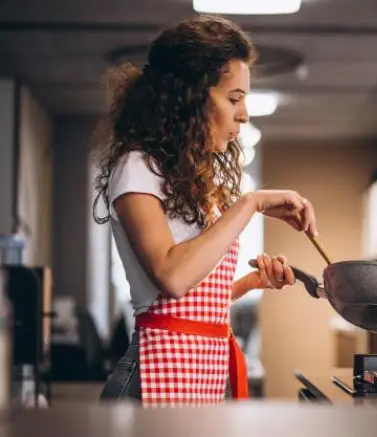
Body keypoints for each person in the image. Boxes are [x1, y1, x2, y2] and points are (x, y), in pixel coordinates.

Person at [91, 16, 319, 407]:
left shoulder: (191, 180)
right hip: (150, 381)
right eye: (233, 98)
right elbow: (172, 276)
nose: (244, 114)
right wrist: (252, 202)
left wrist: (249, 285)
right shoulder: (137, 167)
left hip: (199, 377)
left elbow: (188, 304)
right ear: (189, 96)